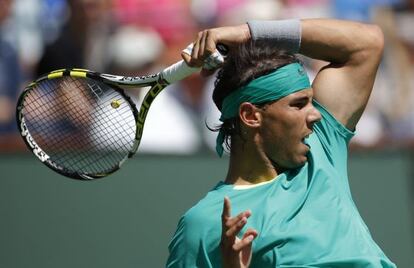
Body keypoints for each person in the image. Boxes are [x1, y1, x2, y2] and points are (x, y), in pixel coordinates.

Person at [166, 18, 397, 267]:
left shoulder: (321, 144)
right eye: (298, 105)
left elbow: (367, 43)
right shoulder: (202, 225)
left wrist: (247, 34)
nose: (315, 114)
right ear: (251, 116)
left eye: (310, 101)